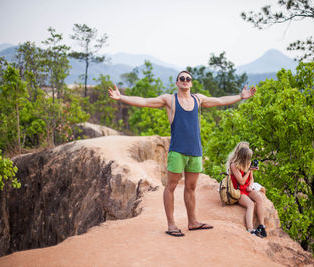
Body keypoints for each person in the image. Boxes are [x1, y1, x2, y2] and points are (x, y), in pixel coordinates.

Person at [109, 71, 256, 237]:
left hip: (195, 151)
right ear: (177, 83)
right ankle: (171, 224)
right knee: (171, 187)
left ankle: (193, 222)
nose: (185, 81)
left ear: (191, 83)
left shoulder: (198, 99)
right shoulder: (170, 100)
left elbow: (220, 100)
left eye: (188, 79)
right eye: (182, 79)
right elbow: (144, 101)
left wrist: (241, 96)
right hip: (177, 151)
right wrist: (121, 97)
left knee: (191, 187)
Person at [225, 142, 267, 238]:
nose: (250, 160)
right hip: (238, 190)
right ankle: (250, 229)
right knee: (250, 204)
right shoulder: (234, 165)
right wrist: (249, 171)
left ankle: (261, 226)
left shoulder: (248, 163)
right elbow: (241, 181)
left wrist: (251, 185)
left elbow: (251, 179)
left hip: (247, 189)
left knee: (259, 199)